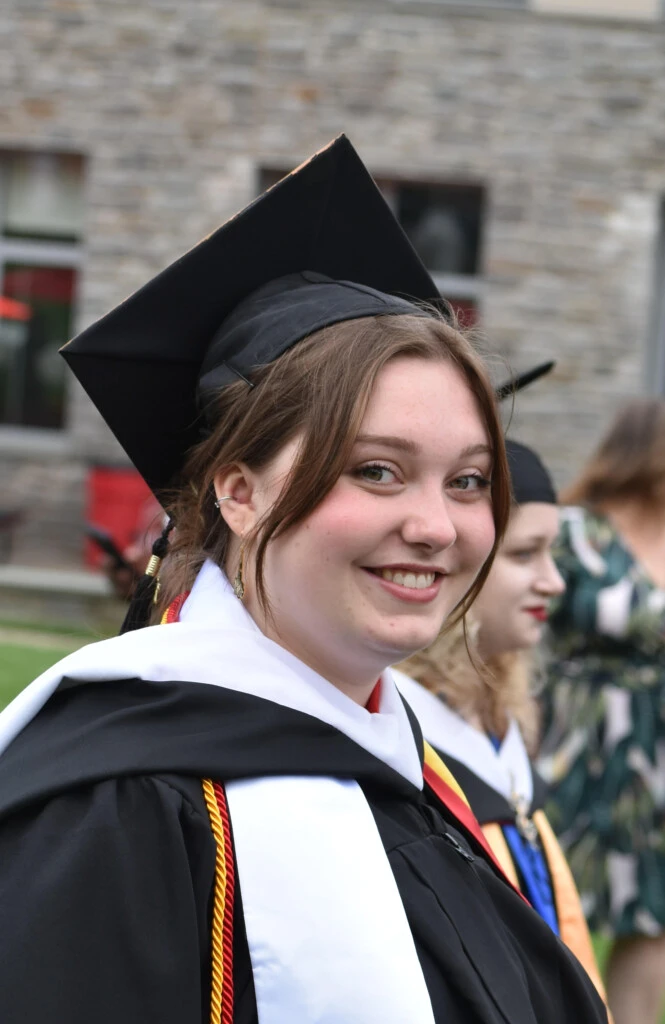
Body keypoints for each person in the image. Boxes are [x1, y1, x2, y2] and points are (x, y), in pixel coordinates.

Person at [0, 137, 607, 1024]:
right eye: (376, 471)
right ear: (236, 492)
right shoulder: (123, 809)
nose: (435, 527)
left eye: (469, 481)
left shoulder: (412, 773)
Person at [394, 440, 607, 1002]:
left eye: (552, 553)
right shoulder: (398, 734)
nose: (554, 582)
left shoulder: (503, 714)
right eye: (523, 555)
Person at [538, 398, 665, 1024]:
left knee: (652, 914)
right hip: (576, 744)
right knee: (562, 900)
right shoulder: (574, 533)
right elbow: (522, 632)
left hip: (658, 757)